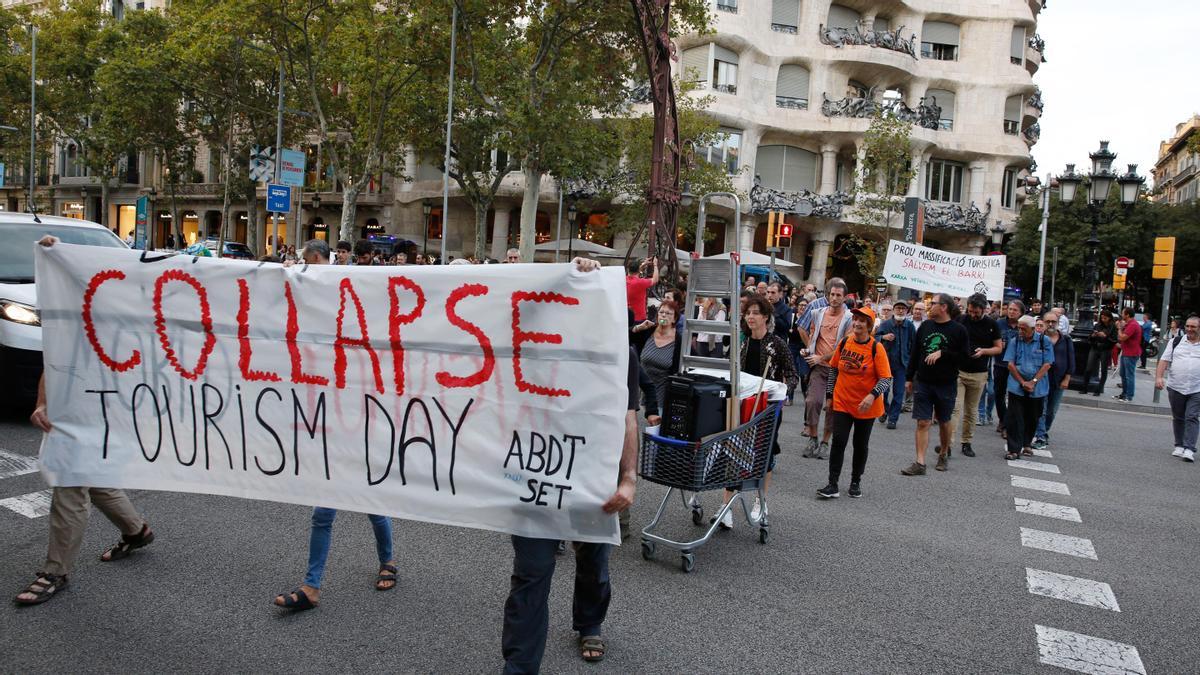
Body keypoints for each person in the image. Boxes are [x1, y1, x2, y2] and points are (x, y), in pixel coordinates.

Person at [502, 258, 638, 672]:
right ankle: (519, 667)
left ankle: (589, 621)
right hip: (534, 475)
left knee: (593, 560)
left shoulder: (621, 354)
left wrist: (629, 477)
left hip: (591, 477)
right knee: (532, 572)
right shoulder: (531, 345)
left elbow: (629, 416)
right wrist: (569, 269)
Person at [13, 238, 156, 607]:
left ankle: (55, 570)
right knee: (87, 476)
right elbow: (55, 357)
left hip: (108, 411)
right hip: (73, 409)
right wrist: (43, 400)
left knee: (71, 481)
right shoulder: (72, 313)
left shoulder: (129, 317)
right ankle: (135, 530)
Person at [275, 240, 396, 611]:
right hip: (332, 434)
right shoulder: (324, 345)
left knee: (373, 505)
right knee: (323, 512)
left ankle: (388, 560)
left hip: (362, 433)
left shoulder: (369, 349)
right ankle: (312, 586)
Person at [712, 294, 797, 526]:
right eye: (748, 313)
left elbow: (792, 374)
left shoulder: (777, 343)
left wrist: (782, 392)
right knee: (732, 450)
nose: (750, 317)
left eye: (755, 313)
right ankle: (726, 505)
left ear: (766, 317)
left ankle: (761, 501)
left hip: (767, 407)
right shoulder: (740, 341)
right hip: (740, 403)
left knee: (764, 452)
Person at [818, 306, 892, 499]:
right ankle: (832, 484)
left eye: (862, 321)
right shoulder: (844, 343)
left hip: (866, 406)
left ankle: (855, 481)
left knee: (860, 445)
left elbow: (886, 379)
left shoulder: (877, 348)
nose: (857, 323)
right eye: (855, 319)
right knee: (838, 442)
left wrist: (871, 395)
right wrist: (829, 396)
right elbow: (834, 370)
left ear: (869, 325)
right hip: (843, 401)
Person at [900, 293, 969, 475]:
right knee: (923, 422)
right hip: (923, 382)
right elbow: (915, 352)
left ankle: (944, 453)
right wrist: (909, 378)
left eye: (933, 304)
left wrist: (943, 353)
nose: (930, 307)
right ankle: (920, 463)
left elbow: (964, 358)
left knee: (944, 422)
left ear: (944, 307)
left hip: (945, 384)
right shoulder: (925, 326)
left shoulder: (959, 330)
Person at [801, 279, 852, 459]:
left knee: (832, 408)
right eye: (832, 294)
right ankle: (813, 438)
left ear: (845, 298)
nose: (835, 298)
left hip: (836, 370)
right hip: (818, 368)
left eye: (839, 295)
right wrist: (808, 349)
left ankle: (825, 442)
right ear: (828, 295)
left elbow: (843, 347)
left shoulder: (849, 318)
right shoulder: (817, 313)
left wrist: (821, 357)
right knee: (812, 402)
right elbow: (810, 334)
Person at [949, 294, 1003, 458]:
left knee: (971, 411)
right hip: (959, 371)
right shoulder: (960, 320)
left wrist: (984, 351)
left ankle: (966, 442)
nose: (973, 315)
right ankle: (948, 444)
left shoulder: (992, 324)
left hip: (979, 373)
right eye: (971, 311)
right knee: (955, 409)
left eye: (976, 312)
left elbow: (998, 348)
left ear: (984, 309)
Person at [1003, 315, 1054, 460]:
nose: (1020, 331)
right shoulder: (1015, 341)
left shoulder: (1045, 342)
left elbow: (1047, 364)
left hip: (1038, 387)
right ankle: (1013, 449)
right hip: (1016, 385)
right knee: (1015, 417)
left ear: (1032, 329)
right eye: (1019, 328)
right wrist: (1022, 382)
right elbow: (1010, 364)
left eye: (1023, 329)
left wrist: (1033, 381)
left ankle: (1026, 444)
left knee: (1033, 416)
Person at [1157, 315, 1200, 462]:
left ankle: (1189, 448)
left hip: (1197, 388)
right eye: (1187, 326)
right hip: (1176, 386)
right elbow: (1164, 360)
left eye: (1193, 327)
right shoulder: (1176, 342)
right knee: (1179, 417)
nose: (1189, 329)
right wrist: (1159, 377)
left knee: (1192, 416)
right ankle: (1179, 445)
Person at [1033, 312, 1075, 450]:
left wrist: (1067, 378)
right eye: (1048, 321)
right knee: (1041, 409)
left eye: (1053, 322)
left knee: (1052, 410)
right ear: (1043, 322)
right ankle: (1041, 436)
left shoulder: (1066, 339)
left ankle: (1043, 431)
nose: (1051, 324)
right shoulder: (1038, 339)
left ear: (1058, 323)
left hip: (1059, 380)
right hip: (1041, 379)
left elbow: (1071, 359)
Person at [638, 300, 682, 421]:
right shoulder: (648, 331)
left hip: (662, 394)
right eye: (661, 312)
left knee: (656, 429)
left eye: (668, 313)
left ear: (674, 319)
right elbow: (627, 335)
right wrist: (638, 328)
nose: (663, 315)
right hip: (643, 391)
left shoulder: (679, 340)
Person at [875, 299, 914, 429]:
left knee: (898, 393)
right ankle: (885, 410)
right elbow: (874, 339)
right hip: (886, 363)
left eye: (903, 309)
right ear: (894, 310)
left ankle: (893, 418)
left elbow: (914, 345)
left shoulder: (910, 326)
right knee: (884, 391)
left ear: (907, 311)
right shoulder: (885, 324)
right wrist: (883, 337)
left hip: (902, 365)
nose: (900, 310)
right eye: (898, 308)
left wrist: (911, 363)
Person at [993, 301, 1023, 437]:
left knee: (1013, 396)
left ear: (1020, 312)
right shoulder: (999, 323)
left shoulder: (1023, 326)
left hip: (1016, 366)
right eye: (1010, 309)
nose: (1011, 312)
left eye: (1015, 310)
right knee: (998, 394)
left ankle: (1007, 424)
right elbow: (991, 340)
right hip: (1000, 363)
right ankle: (1003, 420)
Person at [1086, 311, 1118, 396]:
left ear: (1109, 318)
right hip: (1095, 347)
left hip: (1106, 349)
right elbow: (1089, 338)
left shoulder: (1113, 327)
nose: (1103, 320)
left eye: (1105, 318)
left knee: (1104, 370)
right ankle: (1085, 387)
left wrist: (1106, 336)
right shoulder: (1097, 325)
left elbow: (1114, 340)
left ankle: (1099, 389)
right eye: (1102, 318)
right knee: (1088, 368)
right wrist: (1093, 336)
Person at [1116, 307, 1143, 401]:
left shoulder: (1133, 325)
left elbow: (1123, 337)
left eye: (1123, 313)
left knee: (1129, 375)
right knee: (1123, 374)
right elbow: (1121, 339)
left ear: (1127, 315)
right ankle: (1124, 394)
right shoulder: (1129, 324)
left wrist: (1119, 328)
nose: (1121, 315)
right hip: (1126, 352)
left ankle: (1129, 396)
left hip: (1131, 353)